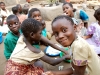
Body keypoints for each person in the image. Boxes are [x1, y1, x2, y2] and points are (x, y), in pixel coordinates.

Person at [4, 18, 70, 75]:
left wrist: (64, 50)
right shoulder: (34, 51)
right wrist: (64, 57)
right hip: (15, 72)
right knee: (41, 69)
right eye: (40, 33)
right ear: (32, 34)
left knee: (38, 63)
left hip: (10, 66)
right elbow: (52, 62)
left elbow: (49, 42)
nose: (42, 35)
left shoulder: (23, 36)